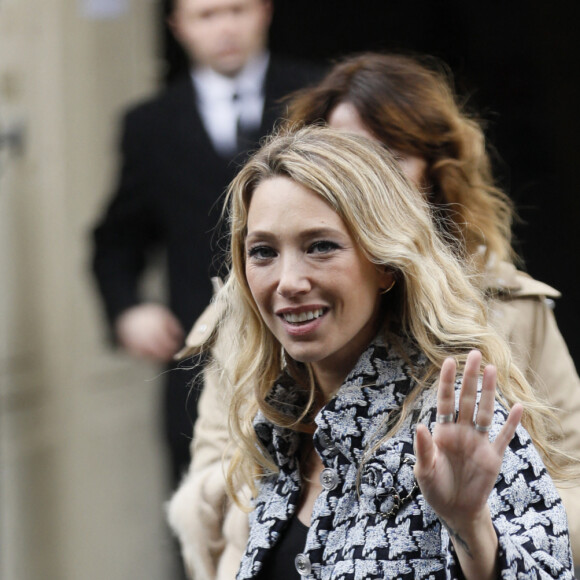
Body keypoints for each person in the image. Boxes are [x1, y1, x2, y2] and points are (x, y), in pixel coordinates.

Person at [167, 54, 580, 576]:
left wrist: (473, 527)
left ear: (386, 261)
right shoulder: (276, 414)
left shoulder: (454, 404)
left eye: (320, 246)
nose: (289, 281)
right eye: (263, 251)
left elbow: (559, 506)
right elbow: (205, 491)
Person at [91, 0, 323, 487]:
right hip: (201, 360)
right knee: (202, 518)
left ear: (263, 12)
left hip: (312, 350)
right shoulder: (149, 124)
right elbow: (117, 238)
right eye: (207, 15)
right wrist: (128, 308)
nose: (226, 28)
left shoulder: (319, 98)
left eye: (237, 10)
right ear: (178, 27)